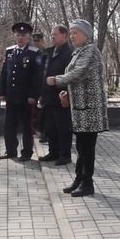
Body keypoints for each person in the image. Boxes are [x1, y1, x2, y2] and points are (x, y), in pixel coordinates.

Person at [46, 19, 109, 197]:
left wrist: (56, 80)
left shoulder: (90, 51)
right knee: (81, 146)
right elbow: (77, 79)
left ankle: (87, 183)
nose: (72, 36)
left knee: (87, 148)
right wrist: (67, 94)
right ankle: (79, 179)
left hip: (90, 109)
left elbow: (78, 73)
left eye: (75, 33)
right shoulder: (79, 52)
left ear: (86, 34)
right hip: (80, 107)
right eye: (71, 33)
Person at [0, 22, 41, 161]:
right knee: (9, 125)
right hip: (11, 96)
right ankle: (10, 151)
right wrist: (2, 92)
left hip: (26, 97)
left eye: (23, 35)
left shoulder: (34, 53)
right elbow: (5, 73)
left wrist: (33, 95)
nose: (20, 38)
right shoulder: (10, 51)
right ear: (14, 35)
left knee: (27, 127)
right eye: (18, 35)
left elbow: (37, 77)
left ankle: (26, 152)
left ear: (28, 36)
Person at [39, 25, 74, 166]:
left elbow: (70, 76)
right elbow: (45, 73)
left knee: (63, 128)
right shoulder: (51, 51)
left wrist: (66, 96)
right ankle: (53, 152)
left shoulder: (69, 53)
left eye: (55, 34)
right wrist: (42, 94)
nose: (52, 36)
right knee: (50, 127)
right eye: (51, 34)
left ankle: (65, 155)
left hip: (61, 96)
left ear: (64, 35)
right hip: (48, 96)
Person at [32, 33, 48, 143]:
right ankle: (36, 130)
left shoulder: (46, 53)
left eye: (38, 41)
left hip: (44, 85)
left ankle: (44, 133)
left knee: (44, 111)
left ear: (42, 41)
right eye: (34, 41)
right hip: (34, 85)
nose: (36, 43)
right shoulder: (32, 53)